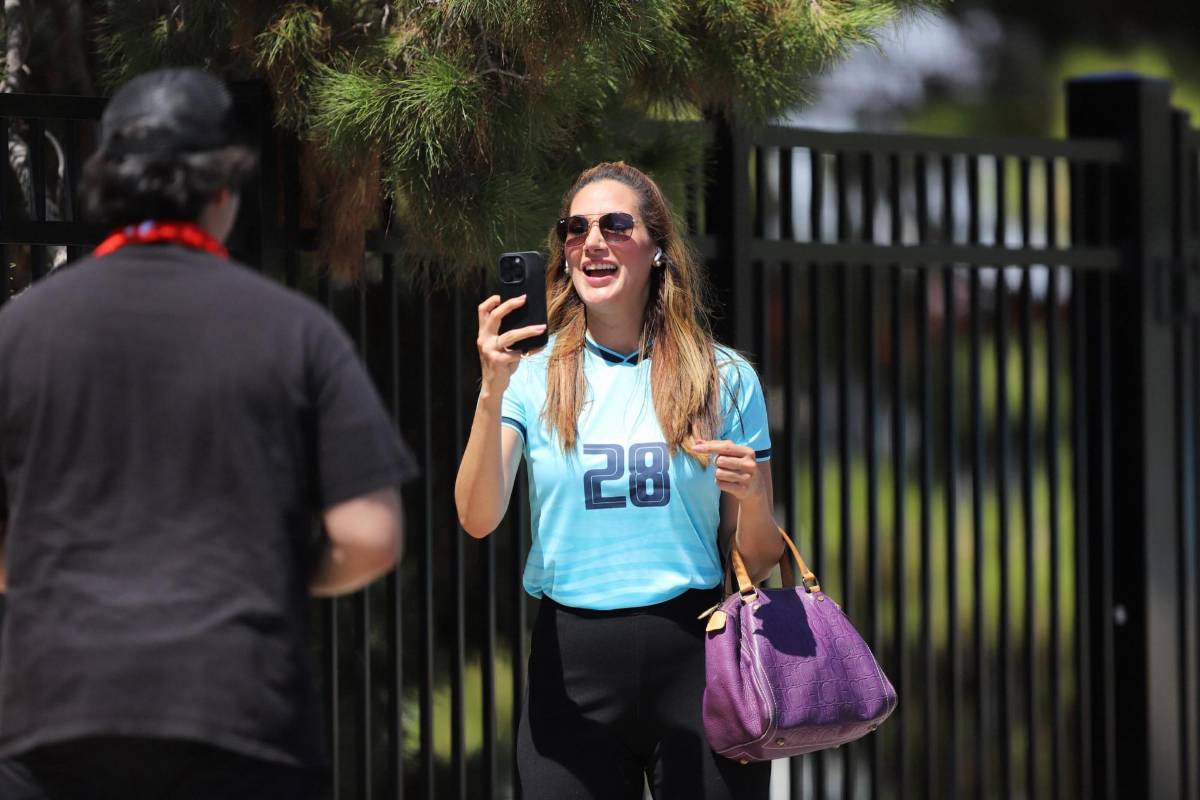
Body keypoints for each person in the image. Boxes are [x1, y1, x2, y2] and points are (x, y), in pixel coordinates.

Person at [0, 68, 417, 799]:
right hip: (238, 708)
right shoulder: (295, 332)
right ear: (226, 186)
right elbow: (369, 535)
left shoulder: (19, 332)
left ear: (107, 183)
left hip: (54, 712)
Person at [455, 161, 783, 799]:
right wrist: (490, 393)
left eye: (614, 225)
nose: (592, 242)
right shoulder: (530, 375)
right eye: (575, 229)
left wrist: (755, 498)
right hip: (570, 665)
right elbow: (477, 516)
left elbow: (758, 559)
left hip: (698, 654)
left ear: (658, 248)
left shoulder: (725, 377)